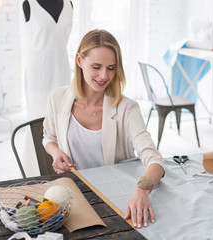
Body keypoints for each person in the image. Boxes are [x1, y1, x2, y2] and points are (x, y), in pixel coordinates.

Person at [42, 29, 165, 229]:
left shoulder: (127, 108)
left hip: (116, 198)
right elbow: (48, 137)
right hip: (74, 196)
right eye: (96, 67)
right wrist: (56, 153)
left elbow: (155, 160)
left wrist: (142, 191)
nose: (103, 76)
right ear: (79, 61)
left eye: (111, 68)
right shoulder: (57, 97)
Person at [21, 0, 73, 176]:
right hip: (39, 72)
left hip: (62, 68)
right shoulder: (29, 4)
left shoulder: (69, 3)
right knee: (38, 118)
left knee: (62, 116)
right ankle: (34, 168)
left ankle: (62, 164)